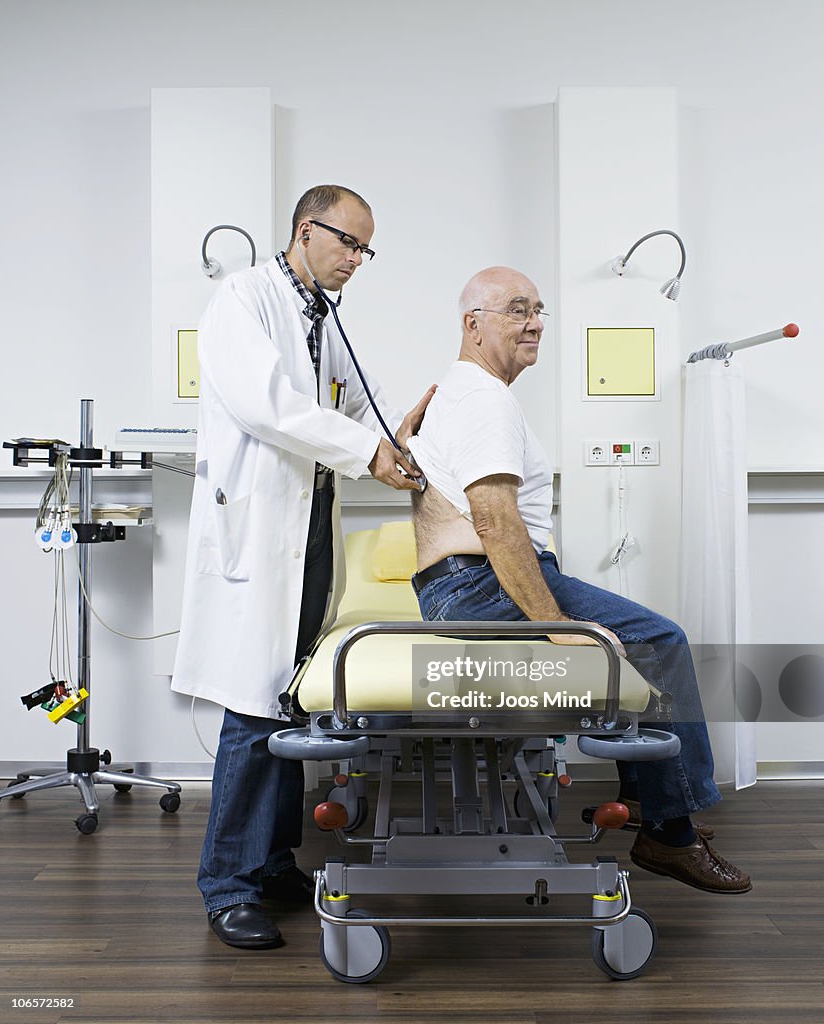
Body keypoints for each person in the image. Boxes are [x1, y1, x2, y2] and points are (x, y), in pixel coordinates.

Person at [407, 265, 751, 895]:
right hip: (481, 585)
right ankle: (671, 833)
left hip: (458, 585)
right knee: (662, 641)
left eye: (538, 309)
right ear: (472, 323)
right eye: (516, 309)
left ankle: (652, 805)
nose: (535, 322)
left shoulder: (459, 394)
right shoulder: (484, 398)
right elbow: (495, 521)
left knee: (641, 641)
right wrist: (554, 626)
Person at [172, 185, 433, 949]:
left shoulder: (322, 315)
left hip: (310, 526)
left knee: (291, 702)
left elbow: (357, 401)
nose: (356, 260)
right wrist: (370, 451)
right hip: (259, 530)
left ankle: (273, 861)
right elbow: (269, 405)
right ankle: (228, 886)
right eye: (348, 242)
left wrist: (407, 431)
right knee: (254, 709)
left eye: (365, 249)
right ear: (304, 229)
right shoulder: (243, 298)